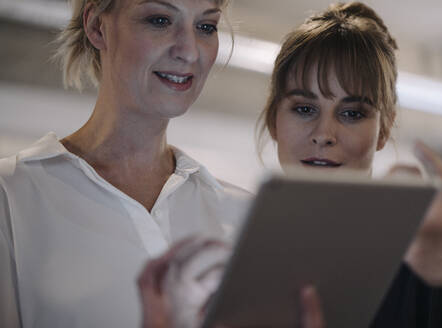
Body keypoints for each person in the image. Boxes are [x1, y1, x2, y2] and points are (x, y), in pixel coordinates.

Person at [138, 2, 442, 328]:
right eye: (304, 109)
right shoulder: (233, 259)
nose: (324, 134)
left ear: (383, 129)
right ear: (275, 120)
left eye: (351, 114)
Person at [0, 0, 255, 327]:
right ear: (97, 26)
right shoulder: (12, 194)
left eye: (206, 27)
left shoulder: (241, 212)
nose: (190, 51)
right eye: (160, 20)